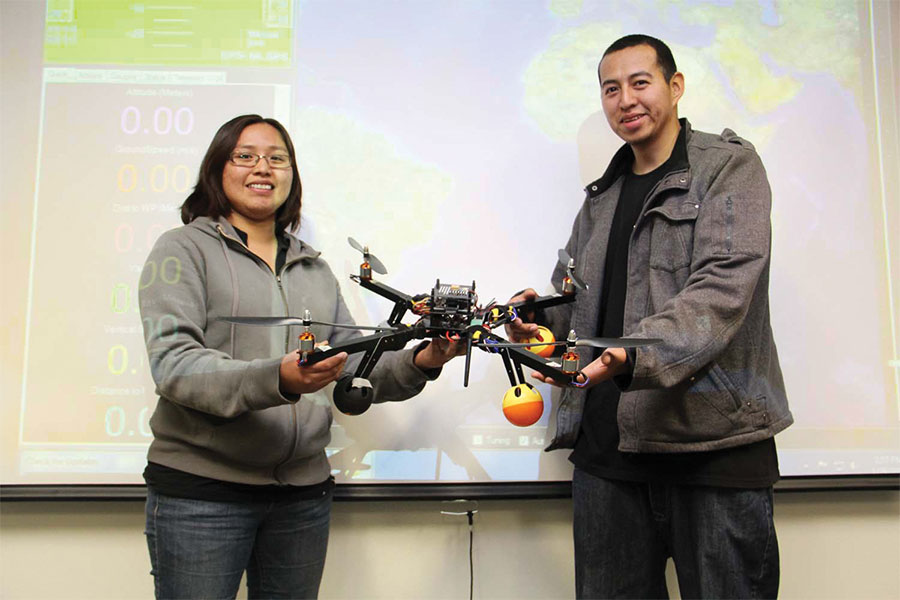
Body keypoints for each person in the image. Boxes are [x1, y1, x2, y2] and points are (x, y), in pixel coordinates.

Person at [507, 35, 792, 598]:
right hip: (607, 458)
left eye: (640, 82)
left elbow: (722, 290)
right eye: (611, 89)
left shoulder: (730, 167)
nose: (625, 100)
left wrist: (635, 354)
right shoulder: (600, 196)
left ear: (675, 86)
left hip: (712, 452)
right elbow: (578, 299)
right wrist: (539, 321)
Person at [138, 114, 459, 599]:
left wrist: (425, 361)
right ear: (217, 171)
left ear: (292, 176)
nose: (262, 168)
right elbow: (175, 367)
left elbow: (356, 366)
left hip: (302, 497)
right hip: (201, 494)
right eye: (245, 156)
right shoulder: (182, 250)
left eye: (277, 158)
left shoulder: (315, 267)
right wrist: (280, 379)